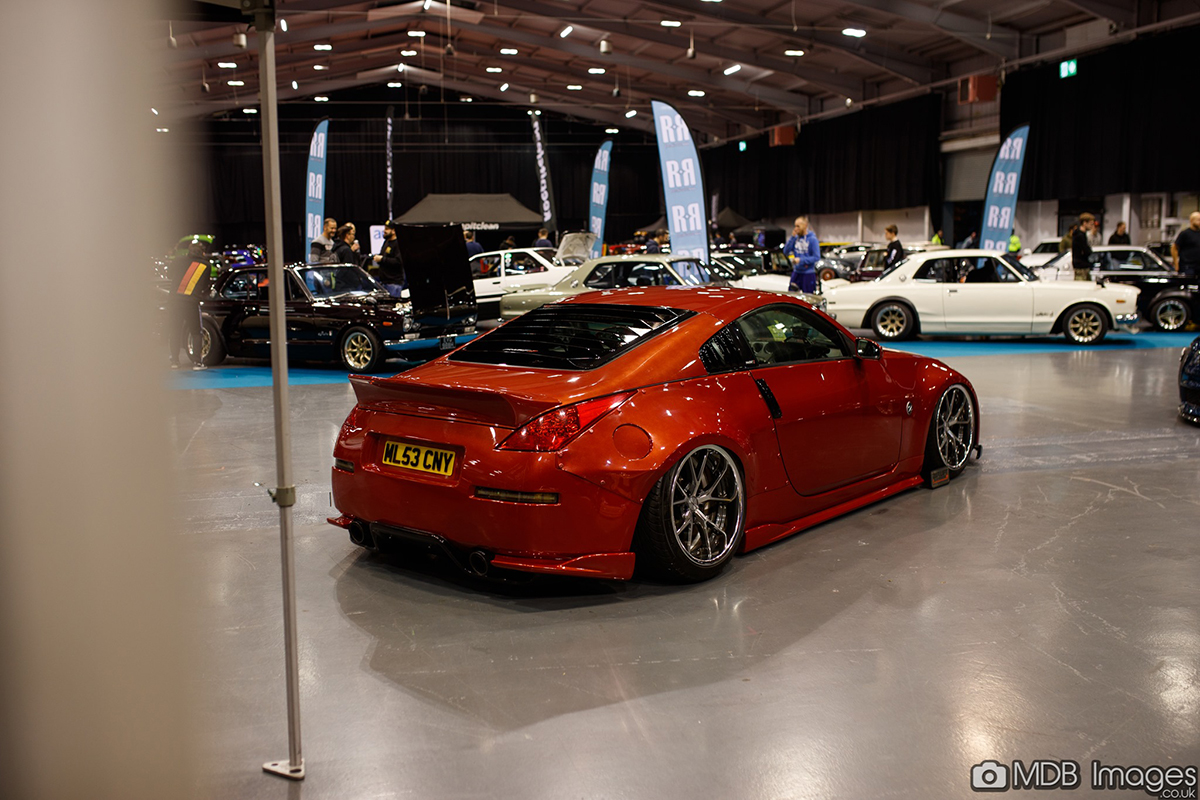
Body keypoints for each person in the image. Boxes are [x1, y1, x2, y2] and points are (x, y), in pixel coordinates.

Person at [168, 241, 212, 371]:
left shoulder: (178, 260)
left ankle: (175, 361)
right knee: (196, 332)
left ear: (189, 250)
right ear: (202, 252)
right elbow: (205, 285)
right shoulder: (205, 265)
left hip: (175, 301)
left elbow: (169, 275)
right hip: (191, 302)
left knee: (174, 330)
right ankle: (197, 363)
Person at [783, 216, 819, 293]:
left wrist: (801, 260)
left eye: (798, 226)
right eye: (795, 226)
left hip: (808, 273)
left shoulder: (812, 239)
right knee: (791, 294)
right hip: (796, 272)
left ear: (805, 225)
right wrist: (792, 237)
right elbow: (785, 251)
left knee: (808, 297)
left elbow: (816, 257)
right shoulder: (795, 239)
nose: (796, 229)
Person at [371, 219, 406, 297]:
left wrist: (382, 259)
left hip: (394, 283)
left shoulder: (398, 244)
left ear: (393, 231)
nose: (384, 231)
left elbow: (398, 261)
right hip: (384, 282)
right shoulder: (387, 242)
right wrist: (378, 258)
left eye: (387, 229)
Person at [1173, 211, 1200, 277]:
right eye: (1198, 220)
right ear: (1192, 220)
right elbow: (1174, 248)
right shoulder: (1185, 233)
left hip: (1198, 266)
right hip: (1187, 266)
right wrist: (1176, 263)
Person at [1072, 213, 1096, 280]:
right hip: (1081, 266)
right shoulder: (1079, 236)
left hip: (1082, 265)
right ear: (1085, 223)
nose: (1092, 226)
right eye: (1091, 224)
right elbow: (1085, 250)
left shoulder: (1080, 234)